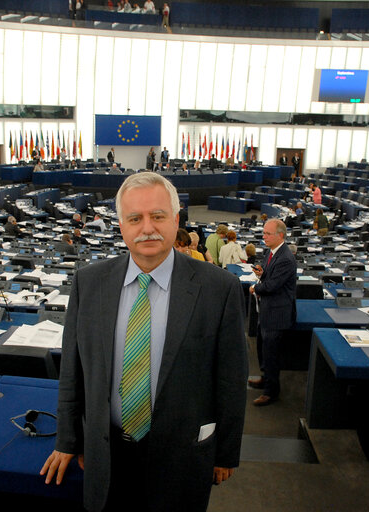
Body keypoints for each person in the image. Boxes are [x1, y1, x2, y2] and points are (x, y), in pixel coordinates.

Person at [40, 172, 247, 512]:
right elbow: (73, 372)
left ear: (176, 219)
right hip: (106, 451)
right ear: (121, 224)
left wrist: (226, 452)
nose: (147, 227)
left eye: (158, 216)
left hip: (182, 455)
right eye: (135, 218)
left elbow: (231, 380)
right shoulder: (88, 283)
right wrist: (67, 439)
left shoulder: (218, 288)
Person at [248, 219, 297, 406]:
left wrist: (255, 288)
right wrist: (262, 273)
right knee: (263, 348)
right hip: (267, 311)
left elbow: (274, 285)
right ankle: (264, 377)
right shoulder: (272, 251)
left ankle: (271, 392)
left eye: (268, 234)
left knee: (272, 354)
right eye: (264, 233)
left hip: (277, 315)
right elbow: (271, 276)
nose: (264, 236)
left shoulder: (285, 257)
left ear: (280, 235)